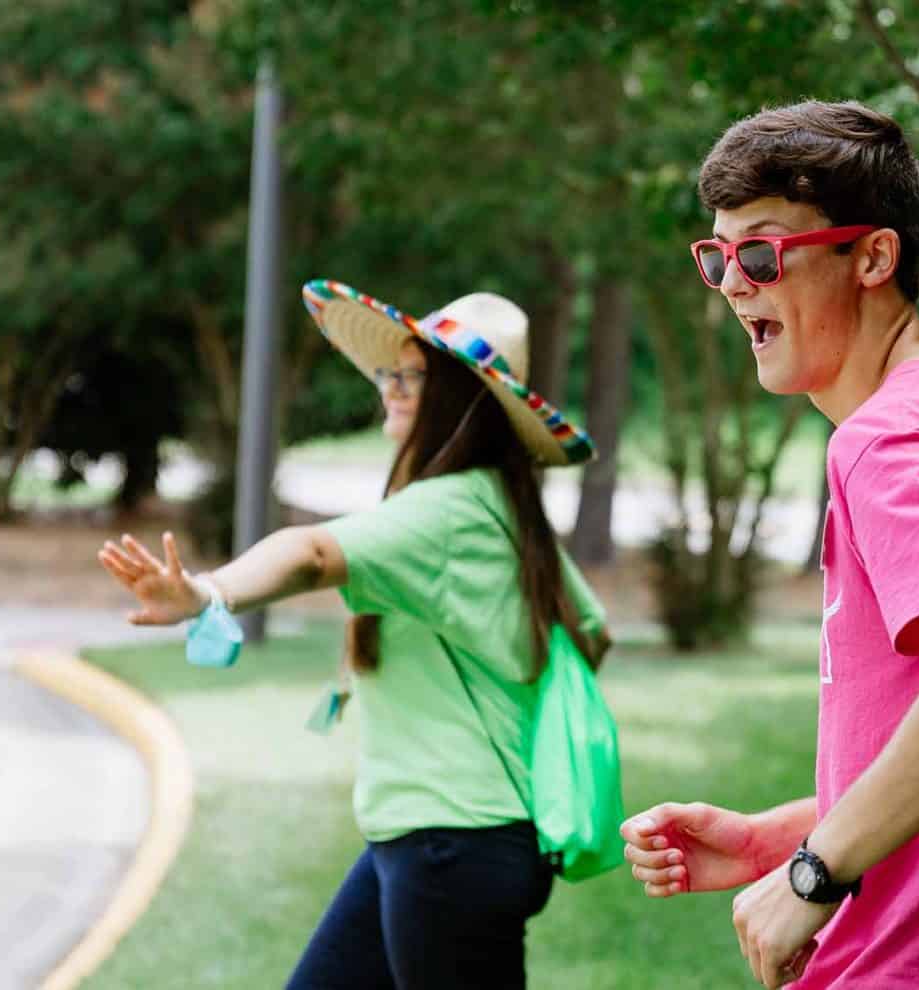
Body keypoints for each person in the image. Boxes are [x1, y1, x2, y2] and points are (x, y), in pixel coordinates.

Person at [621, 100, 919, 988]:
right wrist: (774, 840)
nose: (732, 283)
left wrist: (815, 871)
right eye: (717, 257)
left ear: (873, 256)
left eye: (761, 252)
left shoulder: (884, 441)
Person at [98, 281, 611, 989]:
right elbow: (591, 628)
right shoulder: (504, 505)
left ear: (465, 400)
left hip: (451, 842)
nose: (394, 389)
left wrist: (207, 593)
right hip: (443, 837)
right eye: (391, 373)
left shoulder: (450, 508)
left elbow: (311, 553)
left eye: (416, 376)